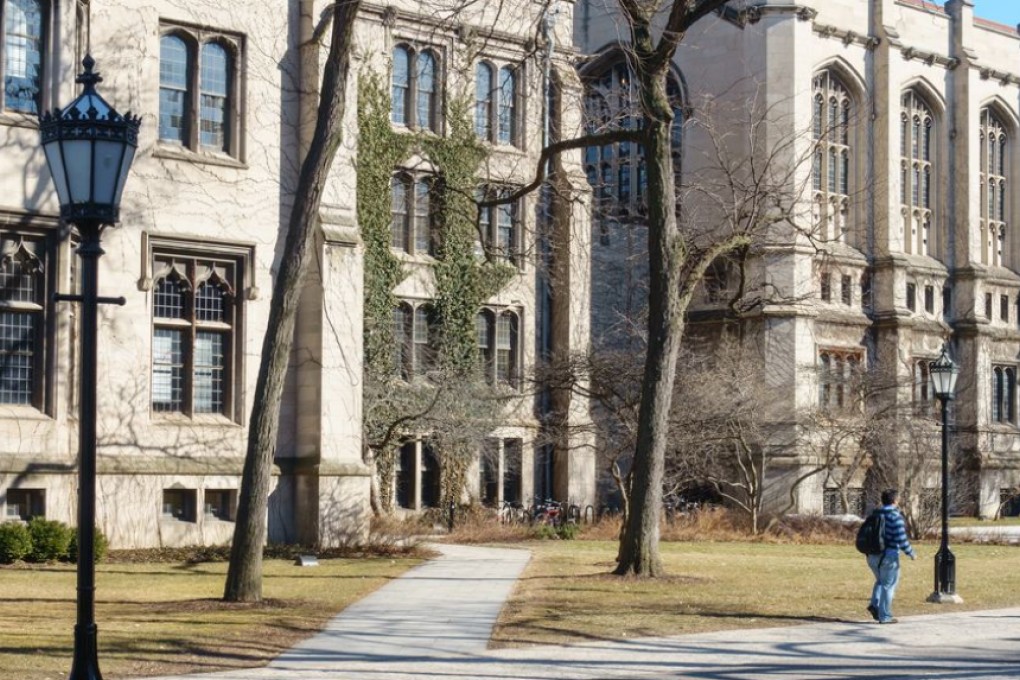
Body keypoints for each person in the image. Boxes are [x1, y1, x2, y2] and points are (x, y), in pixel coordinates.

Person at [867, 489, 917, 624]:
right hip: (888, 556)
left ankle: (874, 604)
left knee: (881, 581)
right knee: (888, 585)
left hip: (872, 556)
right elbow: (901, 538)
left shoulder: (875, 514)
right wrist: (911, 553)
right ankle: (885, 616)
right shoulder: (895, 516)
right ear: (895, 501)